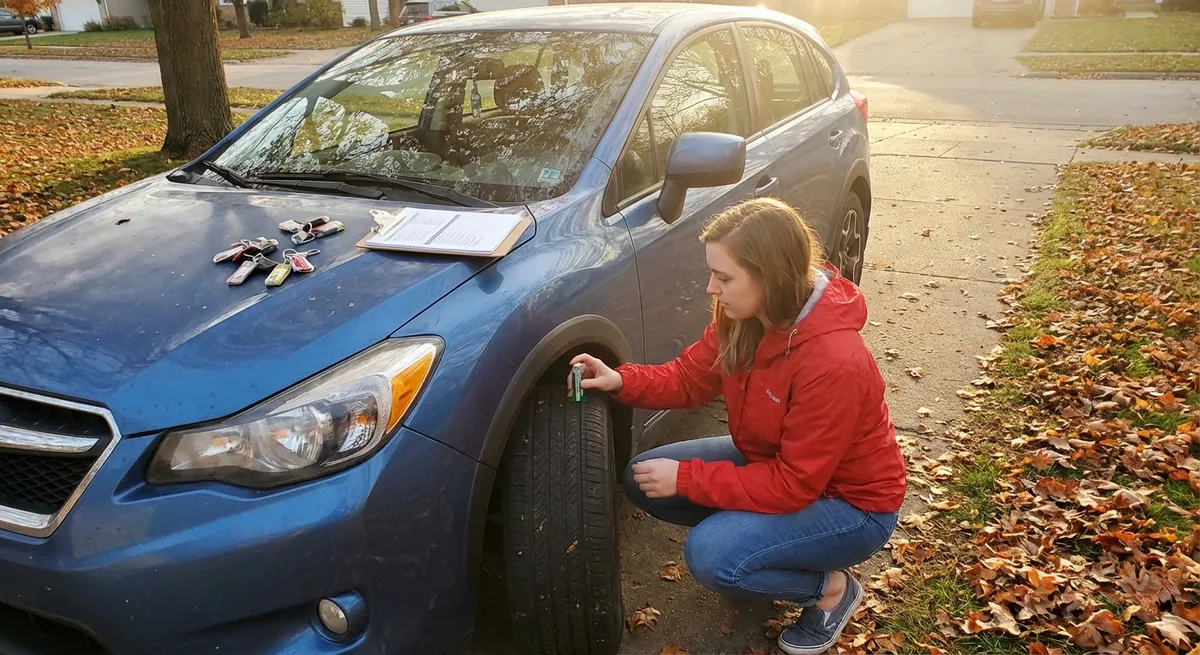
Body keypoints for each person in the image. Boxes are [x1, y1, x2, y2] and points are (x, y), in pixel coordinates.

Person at [567, 197, 907, 655]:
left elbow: (793, 485)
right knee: (643, 479)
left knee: (713, 555)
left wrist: (688, 479)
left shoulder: (834, 362)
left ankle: (830, 589)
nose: (711, 288)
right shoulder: (745, 319)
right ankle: (759, 549)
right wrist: (620, 379)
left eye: (723, 277)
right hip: (774, 461)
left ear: (770, 276)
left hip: (851, 505)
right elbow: (688, 378)